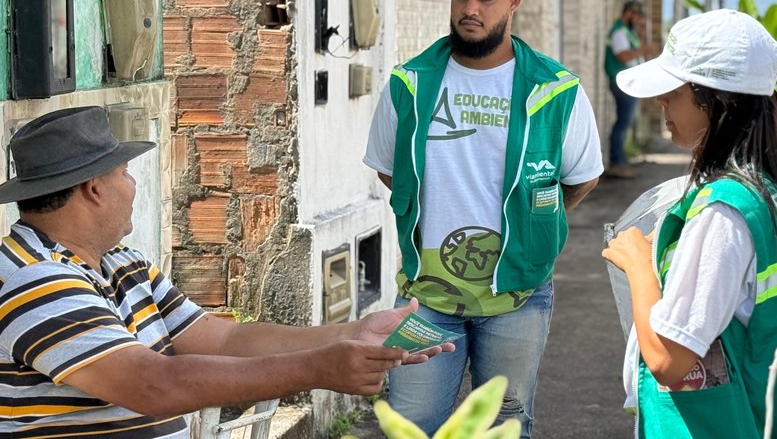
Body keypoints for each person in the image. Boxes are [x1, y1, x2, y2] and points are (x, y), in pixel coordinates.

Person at [0, 106, 451, 438]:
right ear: (93, 189)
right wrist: (318, 368)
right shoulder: (35, 277)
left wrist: (353, 333)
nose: (133, 185)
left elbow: (227, 340)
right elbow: (152, 384)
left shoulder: (122, 263)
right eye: (124, 172)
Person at [363, 0, 603, 437]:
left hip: (517, 294)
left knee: (503, 426)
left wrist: (529, 227)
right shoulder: (409, 83)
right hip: (426, 295)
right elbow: (391, 173)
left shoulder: (556, 90)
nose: (470, 9)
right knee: (409, 425)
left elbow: (580, 178)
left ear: (513, 1)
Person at [602, 9, 777, 438]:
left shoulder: (723, 213)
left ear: (717, 102)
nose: (661, 101)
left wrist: (638, 264)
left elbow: (668, 359)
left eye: (674, 92)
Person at [603, 0, 656, 179]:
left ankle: (620, 160)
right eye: (637, 16)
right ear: (629, 13)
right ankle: (616, 163)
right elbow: (623, 55)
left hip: (629, 82)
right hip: (622, 83)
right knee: (623, 122)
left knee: (625, 121)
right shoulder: (619, 32)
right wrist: (644, 50)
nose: (639, 20)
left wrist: (642, 35)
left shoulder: (628, 32)